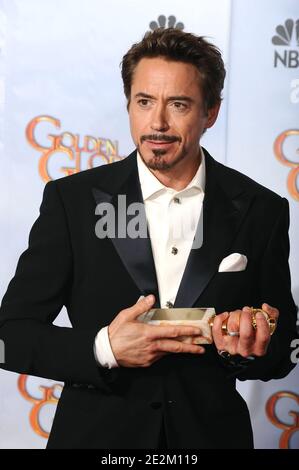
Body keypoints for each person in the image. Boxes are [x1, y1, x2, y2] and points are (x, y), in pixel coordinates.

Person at [0, 28, 297, 450]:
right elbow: (11, 335)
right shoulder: (74, 201)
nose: (157, 123)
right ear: (129, 105)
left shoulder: (260, 209)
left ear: (210, 111)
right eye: (144, 102)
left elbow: (283, 347)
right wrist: (105, 347)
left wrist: (249, 343)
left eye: (178, 104)